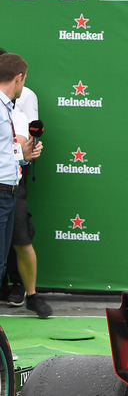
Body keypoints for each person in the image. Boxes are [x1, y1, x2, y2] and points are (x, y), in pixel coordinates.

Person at [0, 53, 43, 307]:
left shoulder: (8, 108)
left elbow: (7, 152)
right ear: (19, 78)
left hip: (9, 192)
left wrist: (24, 156)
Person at [8, 83, 51, 318]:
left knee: (21, 240)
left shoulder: (19, 115)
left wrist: (25, 154)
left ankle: (30, 294)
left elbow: (21, 151)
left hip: (12, 185)